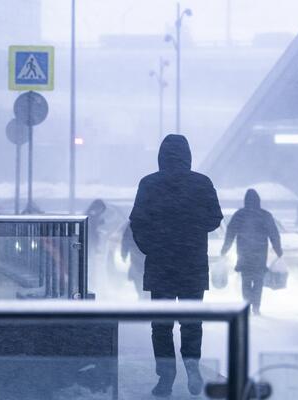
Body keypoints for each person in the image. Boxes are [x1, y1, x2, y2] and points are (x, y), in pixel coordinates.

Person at [129, 134, 223, 397]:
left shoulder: (149, 184)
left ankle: (166, 376)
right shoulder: (201, 183)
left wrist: (151, 246)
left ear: (161, 156)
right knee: (192, 321)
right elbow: (215, 218)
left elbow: (137, 221)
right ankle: (192, 366)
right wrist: (191, 225)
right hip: (192, 263)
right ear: (188, 156)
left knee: (161, 325)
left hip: (161, 264)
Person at [221, 189, 282, 316]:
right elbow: (274, 234)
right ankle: (256, 306)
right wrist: (278, 250)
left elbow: (230, 233)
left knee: (246, 281)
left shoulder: (240, 215)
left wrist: (225, 249)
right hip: (260, 254)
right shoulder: (265, 215)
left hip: (244, 254)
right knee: (258, 281)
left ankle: (247, 304)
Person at [121, 224, 147, 299]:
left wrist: (124, 254)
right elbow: (125, 240)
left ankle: (142, 295)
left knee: (138, 277)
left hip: (138, 256)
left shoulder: (131, 224)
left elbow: (125, 240)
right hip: (140, 257)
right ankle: (142, 295)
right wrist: (124, 254)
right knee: (139, 276)